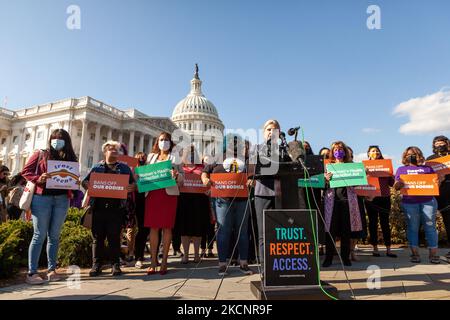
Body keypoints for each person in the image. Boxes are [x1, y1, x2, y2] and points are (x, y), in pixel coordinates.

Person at [22, 129, 78, 284]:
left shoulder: (71, 158)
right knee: (39, 235)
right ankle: (32, 273)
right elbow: (25, 172)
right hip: (42, 199)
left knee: (54, 236)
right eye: (54, 138)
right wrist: (38, 178)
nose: (57, 141)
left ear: (66, 142)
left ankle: (51, 270)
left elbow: (73, 179)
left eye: (61, 139)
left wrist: (75, 182)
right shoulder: (41, 154)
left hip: (61, 200)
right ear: (50, 139)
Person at [202, 133, 253, 276]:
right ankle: (222, 264)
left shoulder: (246, 159)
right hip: (222, 201)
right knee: (223, 232)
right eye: (231, 142)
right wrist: (205, 180)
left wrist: (251, 181)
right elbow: (205, 172)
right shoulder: (217, 157)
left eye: (237, 142)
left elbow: (252, 176)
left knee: (242, 232)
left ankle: (243, 263)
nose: (234, 144)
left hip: (242, 200)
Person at [82, 141, 136, 277]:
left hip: (116, 209)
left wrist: (132, 187)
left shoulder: (124, 168)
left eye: (117, 150)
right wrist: (87, 184)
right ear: (105, 152)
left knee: (114, 238)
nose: (115, 152)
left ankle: (115, 265)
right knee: (97, 238)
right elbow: (85, 181)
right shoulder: (96, 167)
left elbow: (134, 183)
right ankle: (96, 265)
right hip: (98, 208)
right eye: (112, 149)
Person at [143, 132, 184, 275]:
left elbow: (182, 179)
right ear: (157, 142)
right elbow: (144, 175)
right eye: (161, 140)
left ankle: (164, 261)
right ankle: (153, 261)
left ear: (170, 142)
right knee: (153, 228)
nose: (164, 142)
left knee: (167, 228)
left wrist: (177, 176)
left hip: (168, 195)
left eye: (166, 140)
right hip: (153, 194)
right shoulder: (151, 157)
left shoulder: (176, 158)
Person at [394, 146, 441, 264]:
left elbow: (435, 185)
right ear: (405, 156)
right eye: (409, 154)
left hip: (428, 202)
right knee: (412, 228)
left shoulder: (428, 168)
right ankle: (415, 254)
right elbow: (396, 186)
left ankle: (433, 255)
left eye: (415, 153)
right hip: (410, 203)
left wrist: (437, 182)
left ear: (420, 155)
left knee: (430, 227)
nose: (412, 156)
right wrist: (398, 184)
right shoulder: (401, 169)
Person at [322, 141, 363, 267]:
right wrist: (325, 179)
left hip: (347, 202)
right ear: (332, 152)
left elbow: (357, 184)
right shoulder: (327, 166)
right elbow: (322, 186)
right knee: (330, 230)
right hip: (332, 202)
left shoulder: (351, 166)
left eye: (340, 149)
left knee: (346, 231)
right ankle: (328, 257)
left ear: (345, 152)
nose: (338, 151)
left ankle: (345, 257)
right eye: (335, 149)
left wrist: (360, 175)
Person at [174, 145, 211, 264]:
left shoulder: (203, 168)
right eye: (188, 153)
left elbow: (208, 181)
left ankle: (196, 254)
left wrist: (209, 189)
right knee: (184, 229)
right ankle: (185, 255)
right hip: (184, 200)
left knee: (197, 229)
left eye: (193, 153)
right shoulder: (180, 168)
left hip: (199, 200)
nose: (191, 155)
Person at [364, 145, 396, 258]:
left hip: (384, 197)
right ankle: (375, 248)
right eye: (372, 151)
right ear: (368, 154)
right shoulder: (364, 166)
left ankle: (388, 249)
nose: (375, 152)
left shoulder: (386, 166)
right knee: (372, 223)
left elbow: (392, 183)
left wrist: (392, 176)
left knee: (385, 223)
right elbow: (361, 182)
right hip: (371, 198)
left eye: (377, 150)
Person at [426, 136, 450, 259]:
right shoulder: (430, 160)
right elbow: (426, 176)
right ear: (434, 145)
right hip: (438, 193)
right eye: (437, 143)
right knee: (444, 222)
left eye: (442, 143)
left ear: (447, 143)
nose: (440, 145)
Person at [133, 152, 150, 269]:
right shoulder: (133, 170)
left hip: (148, 201)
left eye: (143, 157)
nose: (141, 159)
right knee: (140, 230)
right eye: (139, 157)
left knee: (146, 230)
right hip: (137, 202)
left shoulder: (149, 170)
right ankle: (137, 256)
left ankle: (141, 255)